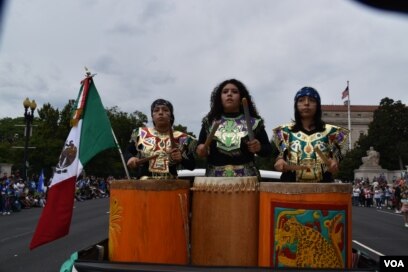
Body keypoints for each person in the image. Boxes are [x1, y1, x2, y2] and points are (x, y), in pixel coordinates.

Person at [196, 79, 272, 177]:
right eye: (225, 92)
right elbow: (199, 147)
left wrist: (259, 147)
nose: (229, 94)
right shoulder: (209, 122)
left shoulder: (254, 122)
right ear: (220, 98)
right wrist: (201, 149)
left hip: (247, 180)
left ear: (241, 98)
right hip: (214, 182)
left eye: (234, 92)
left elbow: (268, 150)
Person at [273, 86, 349, 182]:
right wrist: (279, 162)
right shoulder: (284, 132)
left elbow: (336, 158)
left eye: (312, 100)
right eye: (301, 100)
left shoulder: (332, 133)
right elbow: (279, 156)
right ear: (296, 105)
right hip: (290, 189)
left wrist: (334, 163)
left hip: (322, 190)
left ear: (318, 105)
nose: (306, 103)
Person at [126, 99, 196, 179]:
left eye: (165, 110)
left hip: (171, 185)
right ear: (152, 116)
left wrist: (181, 159)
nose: (160, 113)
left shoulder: (182, 138)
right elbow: (128, 151)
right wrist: (130, 158)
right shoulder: (140, 133)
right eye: (156, 110)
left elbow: (192, 165)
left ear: (171, 115)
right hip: (144, 184)